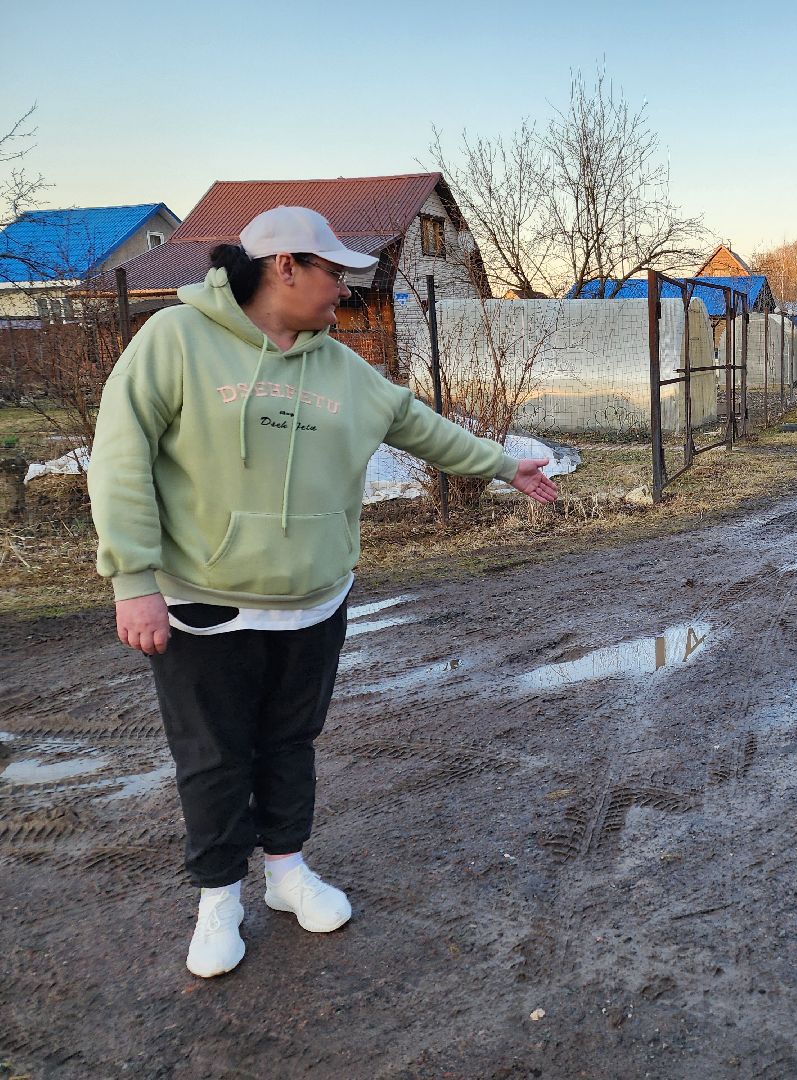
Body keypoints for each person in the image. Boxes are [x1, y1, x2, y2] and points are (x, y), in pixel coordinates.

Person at [88, 205, 559, 978]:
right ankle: (217, 902)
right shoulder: (173, 343)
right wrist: (131, 578)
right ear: (284, 266)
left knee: (289, 744)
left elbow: (416, 424)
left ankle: (286, 875)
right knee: (213, 756)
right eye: (333, 273)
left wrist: (505, 465)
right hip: (203, 599)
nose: (344, 289)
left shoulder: (340, 368)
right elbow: (120, 457)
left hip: (313, 601)